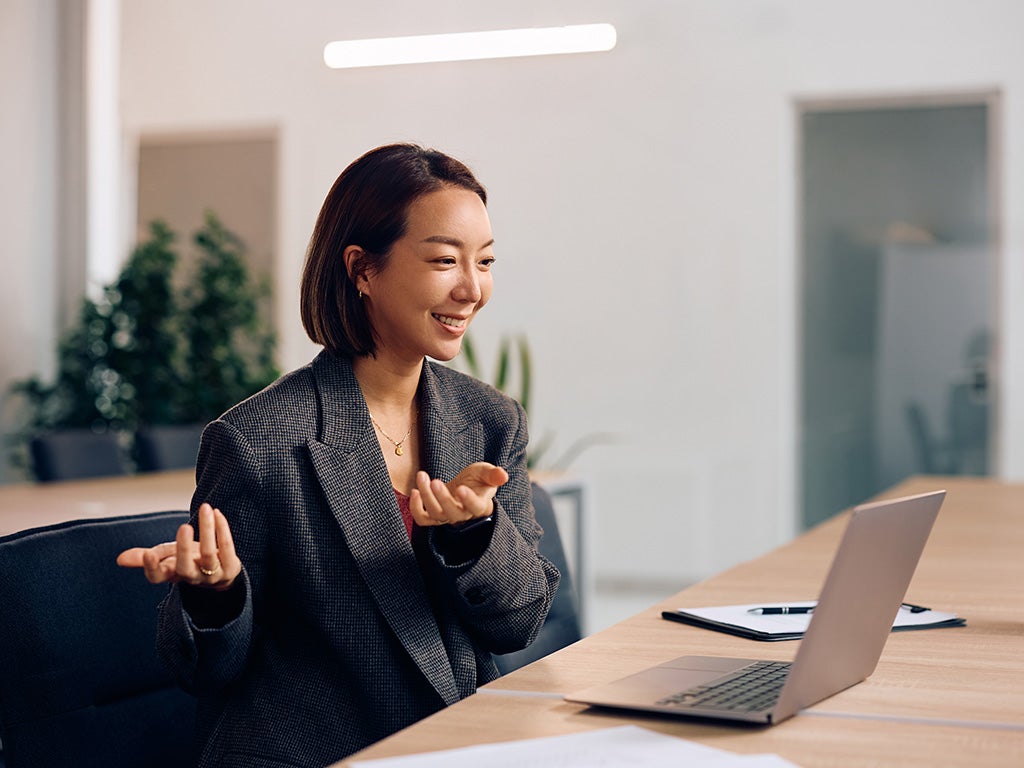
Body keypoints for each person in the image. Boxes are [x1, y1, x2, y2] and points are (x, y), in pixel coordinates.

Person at [117, 143, 560, 767]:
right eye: (443, 260)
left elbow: (518, 624)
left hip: (458, 744)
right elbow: (208, 672)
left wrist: (474, 537)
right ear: (362, 269)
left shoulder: (490, 419)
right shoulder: (256, 440)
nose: (472, 289)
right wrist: (217, 596)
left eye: (485, 262)